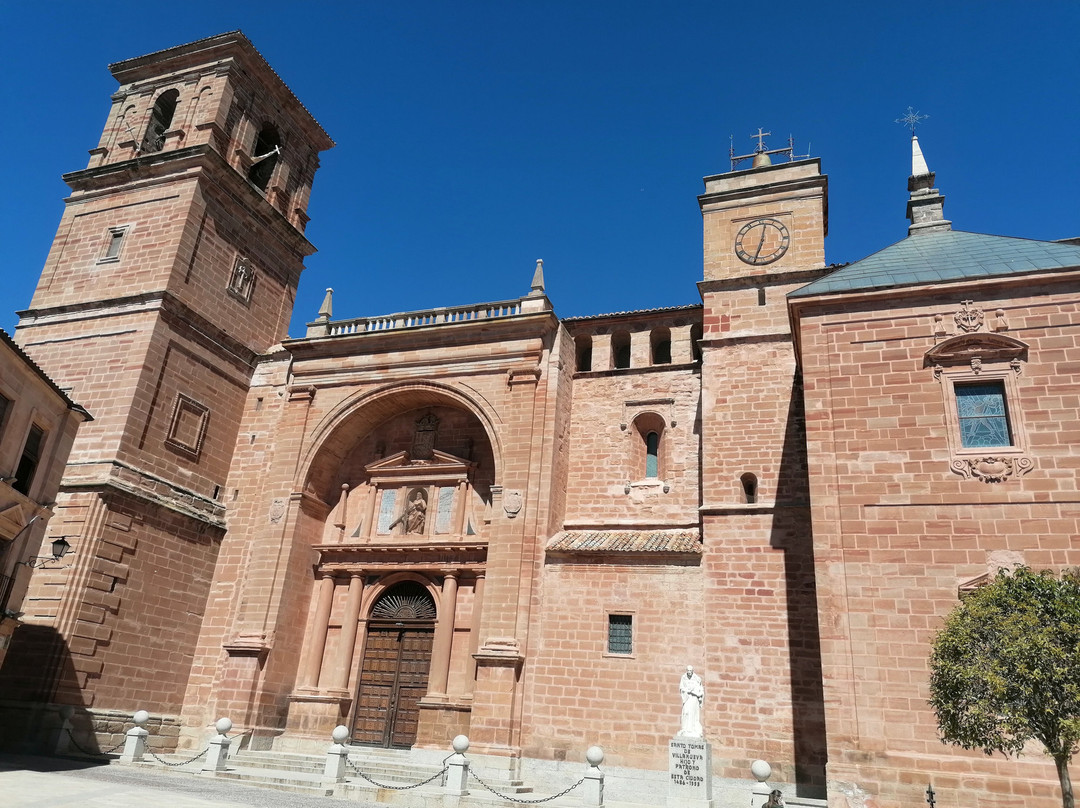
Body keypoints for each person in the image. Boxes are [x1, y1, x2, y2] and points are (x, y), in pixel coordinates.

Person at [678, 665, 704, 738]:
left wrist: (696, 693)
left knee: (692, 713)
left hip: (694, 699)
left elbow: (700, 690)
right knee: (686, 712)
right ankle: (685, 729)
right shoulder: (683, 678)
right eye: (688, 670)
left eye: (690, 671)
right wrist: (686, 691)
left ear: (692, 671)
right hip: (687, 698)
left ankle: (692, 730)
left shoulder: (697, 679)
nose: (689, 672)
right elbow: (681, 687)